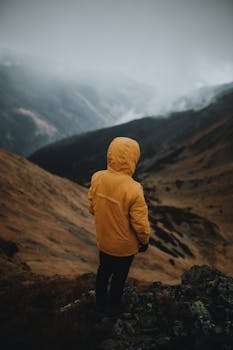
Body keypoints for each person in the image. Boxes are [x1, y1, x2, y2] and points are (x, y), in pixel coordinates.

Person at [88, 137, 150, 317]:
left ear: (110, 155)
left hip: (104, 241)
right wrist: (144, 241)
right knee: (119, 280)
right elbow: (140, 223)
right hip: (125, 249)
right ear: (133, 159)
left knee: (102, 274)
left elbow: (92, 208)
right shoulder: (134, 189)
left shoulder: (97, 177)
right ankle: (113, 310)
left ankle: (98, 308)